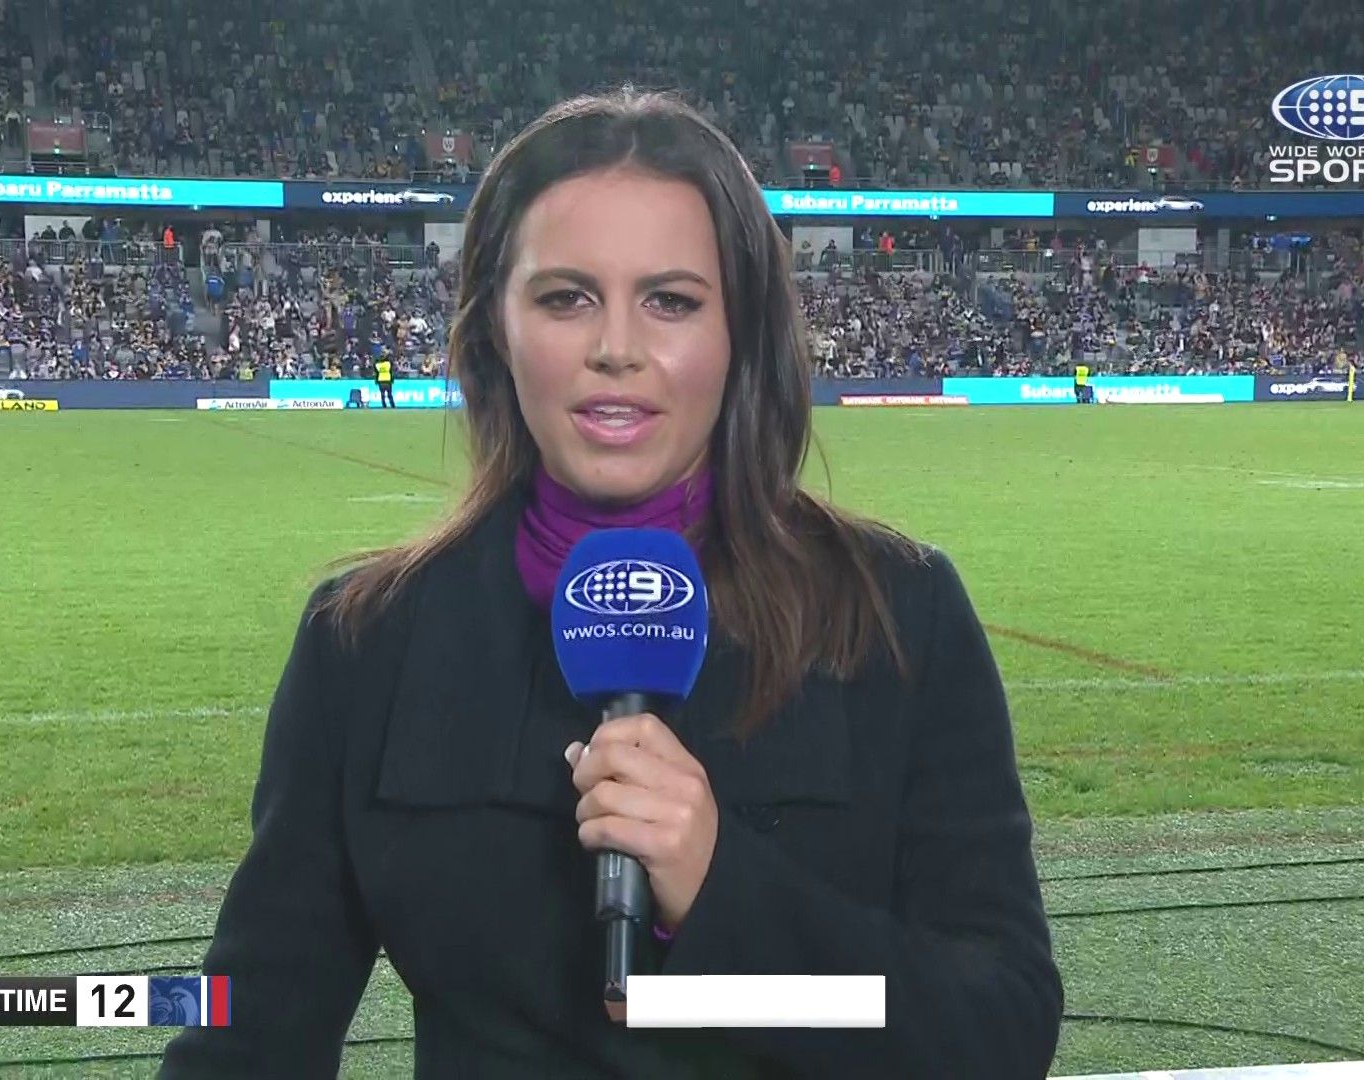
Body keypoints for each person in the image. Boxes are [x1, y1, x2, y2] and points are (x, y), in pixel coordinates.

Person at [160, 89, 1062, 1080]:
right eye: (566, 298)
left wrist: (722, 891)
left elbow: (999, 1029)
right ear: (495, 328)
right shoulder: (365, 642)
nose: (617, 348)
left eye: (671, 300)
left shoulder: (898, 615)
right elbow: (253, 1032)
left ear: (741, 332)